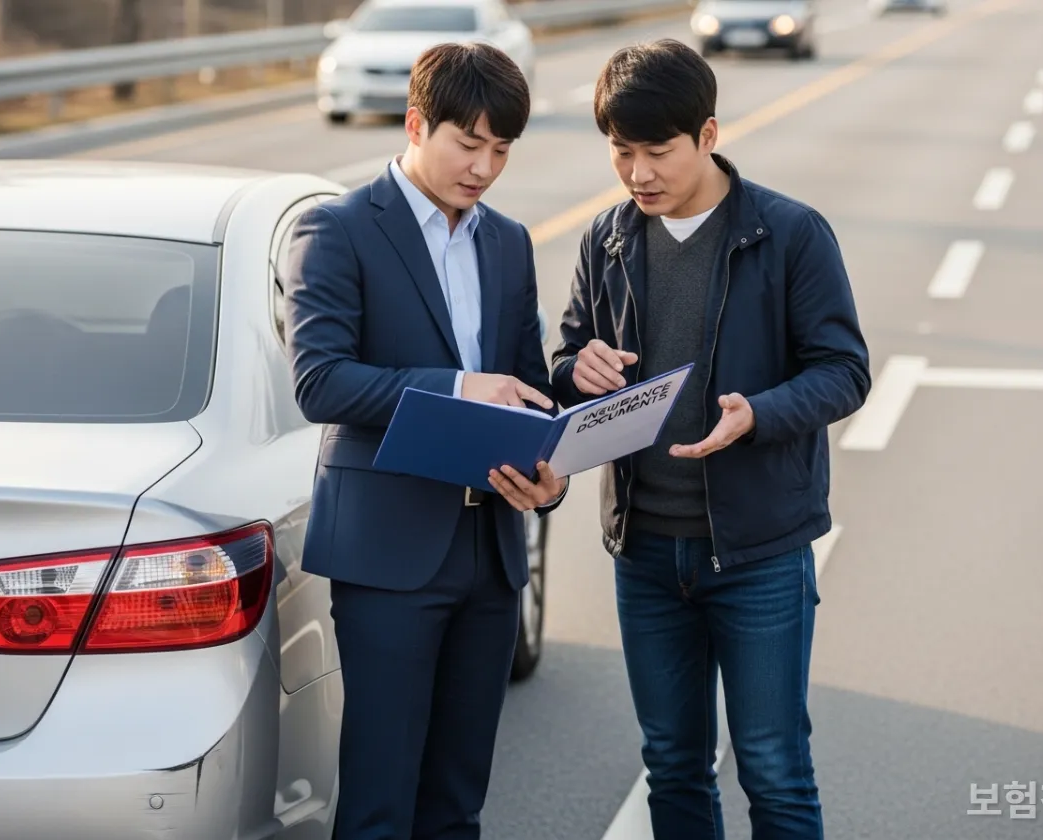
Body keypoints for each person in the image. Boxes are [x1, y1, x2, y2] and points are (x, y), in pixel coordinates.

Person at [551, 39, 871, 840]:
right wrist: (574, 369)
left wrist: (758, 414)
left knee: (773, 767)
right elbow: (565, 356)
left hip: (758, 552)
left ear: (710, 135)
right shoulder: (607, 241)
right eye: (622, 153)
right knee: (673, 765)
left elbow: (844, 370)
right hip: (646, 552)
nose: (638, 174)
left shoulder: (790, 234)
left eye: (657, 152)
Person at [283, 42, 567, 840]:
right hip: (390, 553)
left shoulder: (507, 242)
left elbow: (525, 387)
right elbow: (321, 382)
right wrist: (452, 386)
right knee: (380, 800)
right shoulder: (336, 228)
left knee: (458, 802)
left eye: (501, 150)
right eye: (467, 144)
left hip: (492, 551)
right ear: (416, 123)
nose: (484, 166)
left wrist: (552, 476)